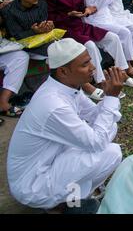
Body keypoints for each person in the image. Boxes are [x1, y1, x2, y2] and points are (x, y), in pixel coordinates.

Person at [7, 38, 124, 211]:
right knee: (110, 151)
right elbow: (98, 141)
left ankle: (70, 197)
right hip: (32, 184)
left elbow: (94, 115)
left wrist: (108, 96)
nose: (92, 67)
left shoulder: (67, 87)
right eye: (85, 64)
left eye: (90, 61)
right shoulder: (54, 104)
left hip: (50, 161)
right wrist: (112, 98)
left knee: (108, 129)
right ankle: (60, 205)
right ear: (63, 71)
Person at [40, 0, 133, 87]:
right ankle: (100, 81)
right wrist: (68, 15)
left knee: (113, 38)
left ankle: (122, 72)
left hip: (80, 24)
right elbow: (48, 17)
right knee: (90, 45)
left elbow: (82, 6)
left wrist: (85, 11)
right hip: (62, 29)